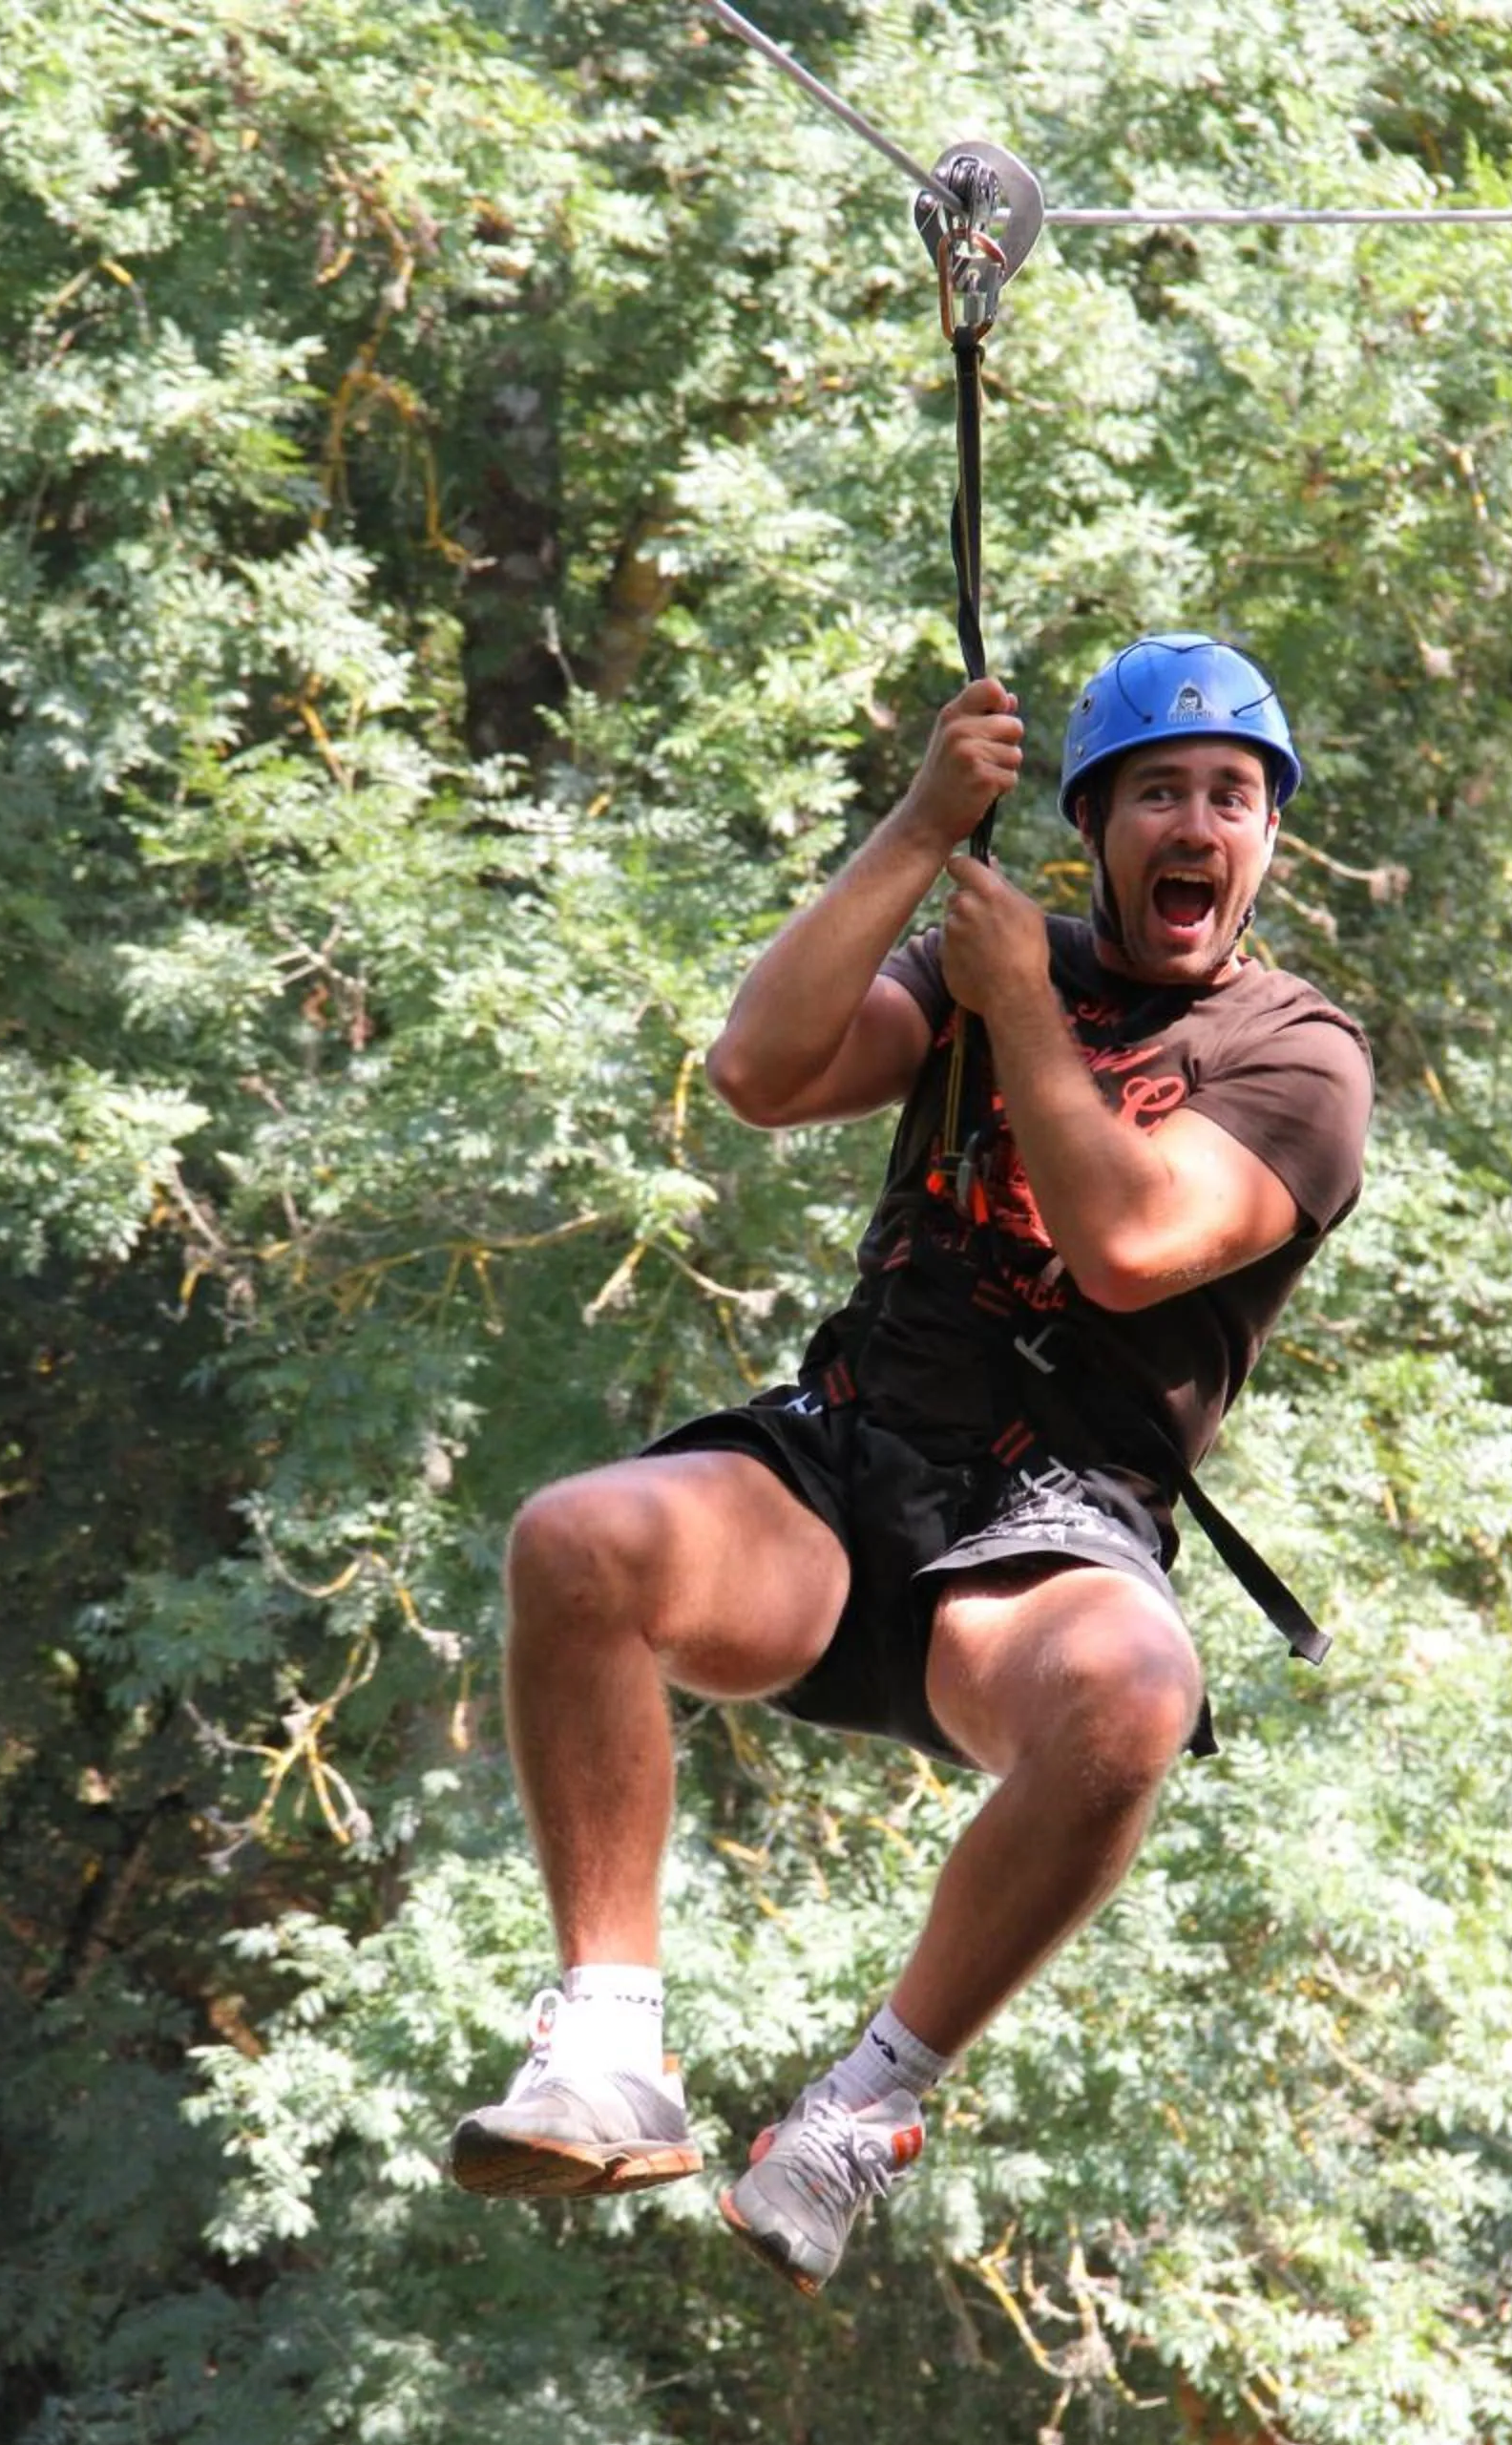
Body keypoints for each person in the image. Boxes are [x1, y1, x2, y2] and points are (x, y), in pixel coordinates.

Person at [447, 633, 1375, 2295]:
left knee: (1133, 1699)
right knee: (576, 1541)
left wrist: (1017, 1006)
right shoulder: (981, 960)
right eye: (1157, 794)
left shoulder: (1297, 1055)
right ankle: (605, 2047)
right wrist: (917, 828)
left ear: (1268, 838)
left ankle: (861, 2109)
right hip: (842, 1457)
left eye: (1232, 797)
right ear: (1091, 826)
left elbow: (1126, 1246)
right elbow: (757, 1072)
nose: (1197, 824)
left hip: (1048, 1526)